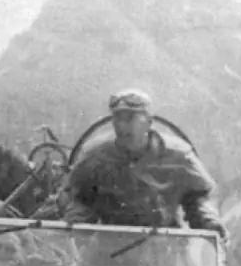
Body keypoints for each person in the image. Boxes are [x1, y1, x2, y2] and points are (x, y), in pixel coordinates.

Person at [61, 89, 226, 238]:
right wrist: (78, 218)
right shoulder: (95, 155)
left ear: (148, 121)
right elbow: (74, 194)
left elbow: (201, 194)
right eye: (118, 118)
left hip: (166, 249)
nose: (122, 126)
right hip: (109, 250)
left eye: (130, 118)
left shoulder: (179, 156)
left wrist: (208, 219)